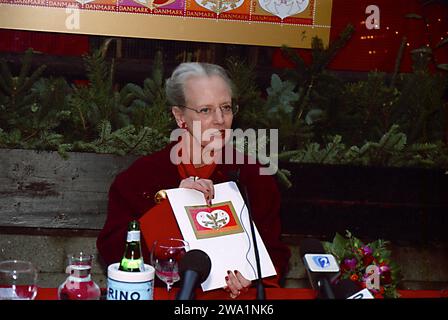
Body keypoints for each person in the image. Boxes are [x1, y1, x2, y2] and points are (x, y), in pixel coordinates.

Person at [96, 62, 291, 299]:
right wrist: (170, 206)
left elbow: (274, 253)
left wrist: (253, 278)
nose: (220, 120)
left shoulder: (251, 174)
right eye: (206, 110)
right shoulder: (143, 175)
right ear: (180, 117)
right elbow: (112, 251)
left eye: (226, 107)